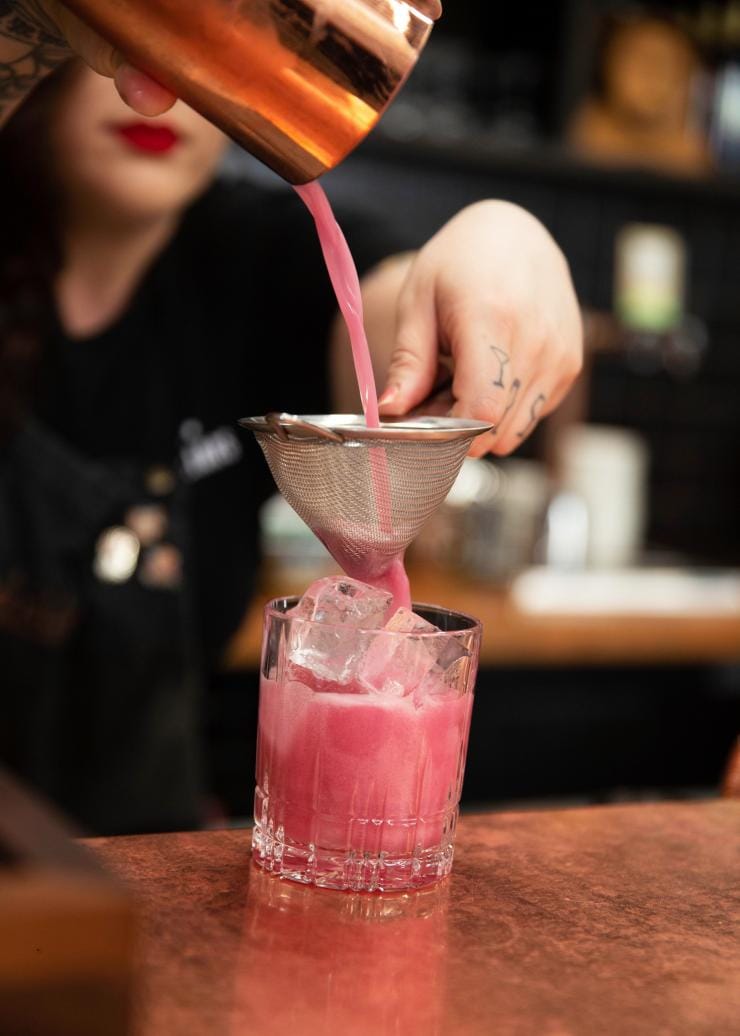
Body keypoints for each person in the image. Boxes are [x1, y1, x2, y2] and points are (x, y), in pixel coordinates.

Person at [0, 2, 582, 834]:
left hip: (135, 870)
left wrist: (504, 238)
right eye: (131, 43)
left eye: (201, 56)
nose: (149, 94)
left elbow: (393, 317)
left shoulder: (256, 259)